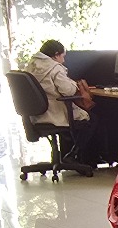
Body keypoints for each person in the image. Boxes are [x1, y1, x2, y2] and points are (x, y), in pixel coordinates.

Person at [24, 40, 103, 169]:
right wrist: (74, 84)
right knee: (92, 119)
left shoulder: (31, 66)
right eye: (63, 56)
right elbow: (68, 91)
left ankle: (67, 157)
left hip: (37, 116)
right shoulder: (54, 68)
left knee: (85, 118)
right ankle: (72, 155)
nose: (64, 60)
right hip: (55, 114)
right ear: (56, 55)